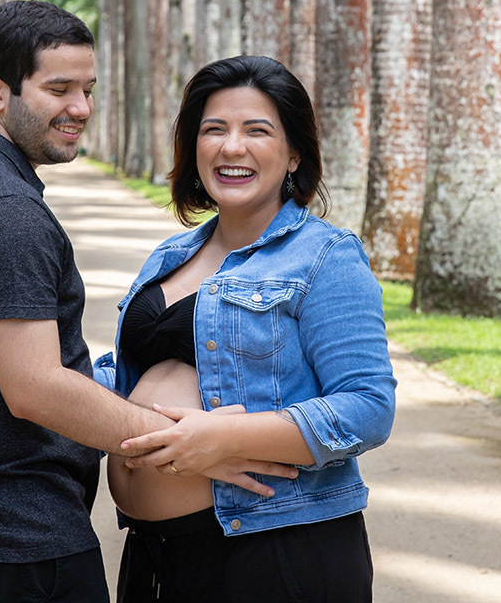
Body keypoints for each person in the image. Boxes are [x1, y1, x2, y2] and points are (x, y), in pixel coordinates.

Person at [0, 1, 287, 603]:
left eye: (88, 89)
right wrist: (180, 444)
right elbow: (36, 387)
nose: (81, 110)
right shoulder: (5, 210)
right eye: (59, 89)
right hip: (13, 536)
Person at [98, 55, 397, 602]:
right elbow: (123, 377)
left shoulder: (325, 256)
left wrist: (224, 439)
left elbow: (369, 407)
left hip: (272, 554)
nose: (231, 147)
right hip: (155, 554)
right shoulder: (170, 256)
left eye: (256, 130)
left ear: (294, 154)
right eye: (214, 130)